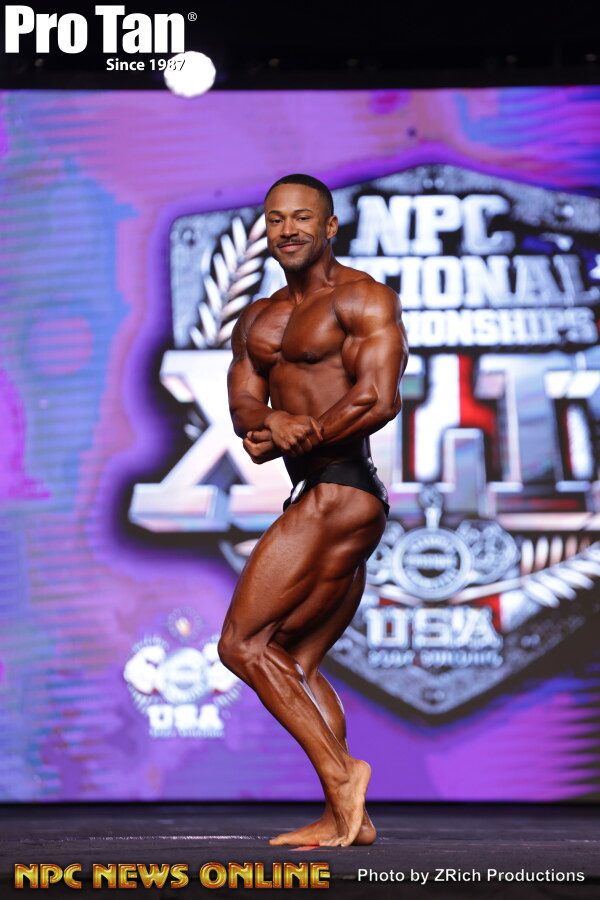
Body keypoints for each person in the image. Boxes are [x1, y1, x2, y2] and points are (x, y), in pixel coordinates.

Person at [217, 174, 409, 847]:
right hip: (321, 491)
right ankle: (345, 817)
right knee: (293, 659)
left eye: (303, 217)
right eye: (276, 219)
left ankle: (341, 773)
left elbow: (378, 397)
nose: (288, 229)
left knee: (242, 644)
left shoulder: (361, 298)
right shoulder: (257, 318)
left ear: (329, 227)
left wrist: (305, 432)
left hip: (341, 488)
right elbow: (244, 407)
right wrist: (270, 419)